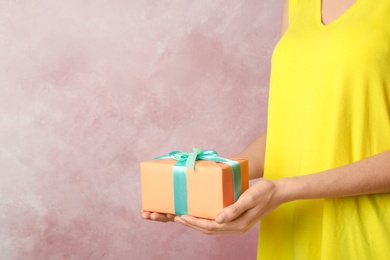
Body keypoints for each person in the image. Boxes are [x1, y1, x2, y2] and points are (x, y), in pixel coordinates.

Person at [142, 0, 390, 258]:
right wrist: (212, 177)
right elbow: (290, 128)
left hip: (364, 232)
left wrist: (284, 190)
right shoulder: (296, 3)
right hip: (290, 230)